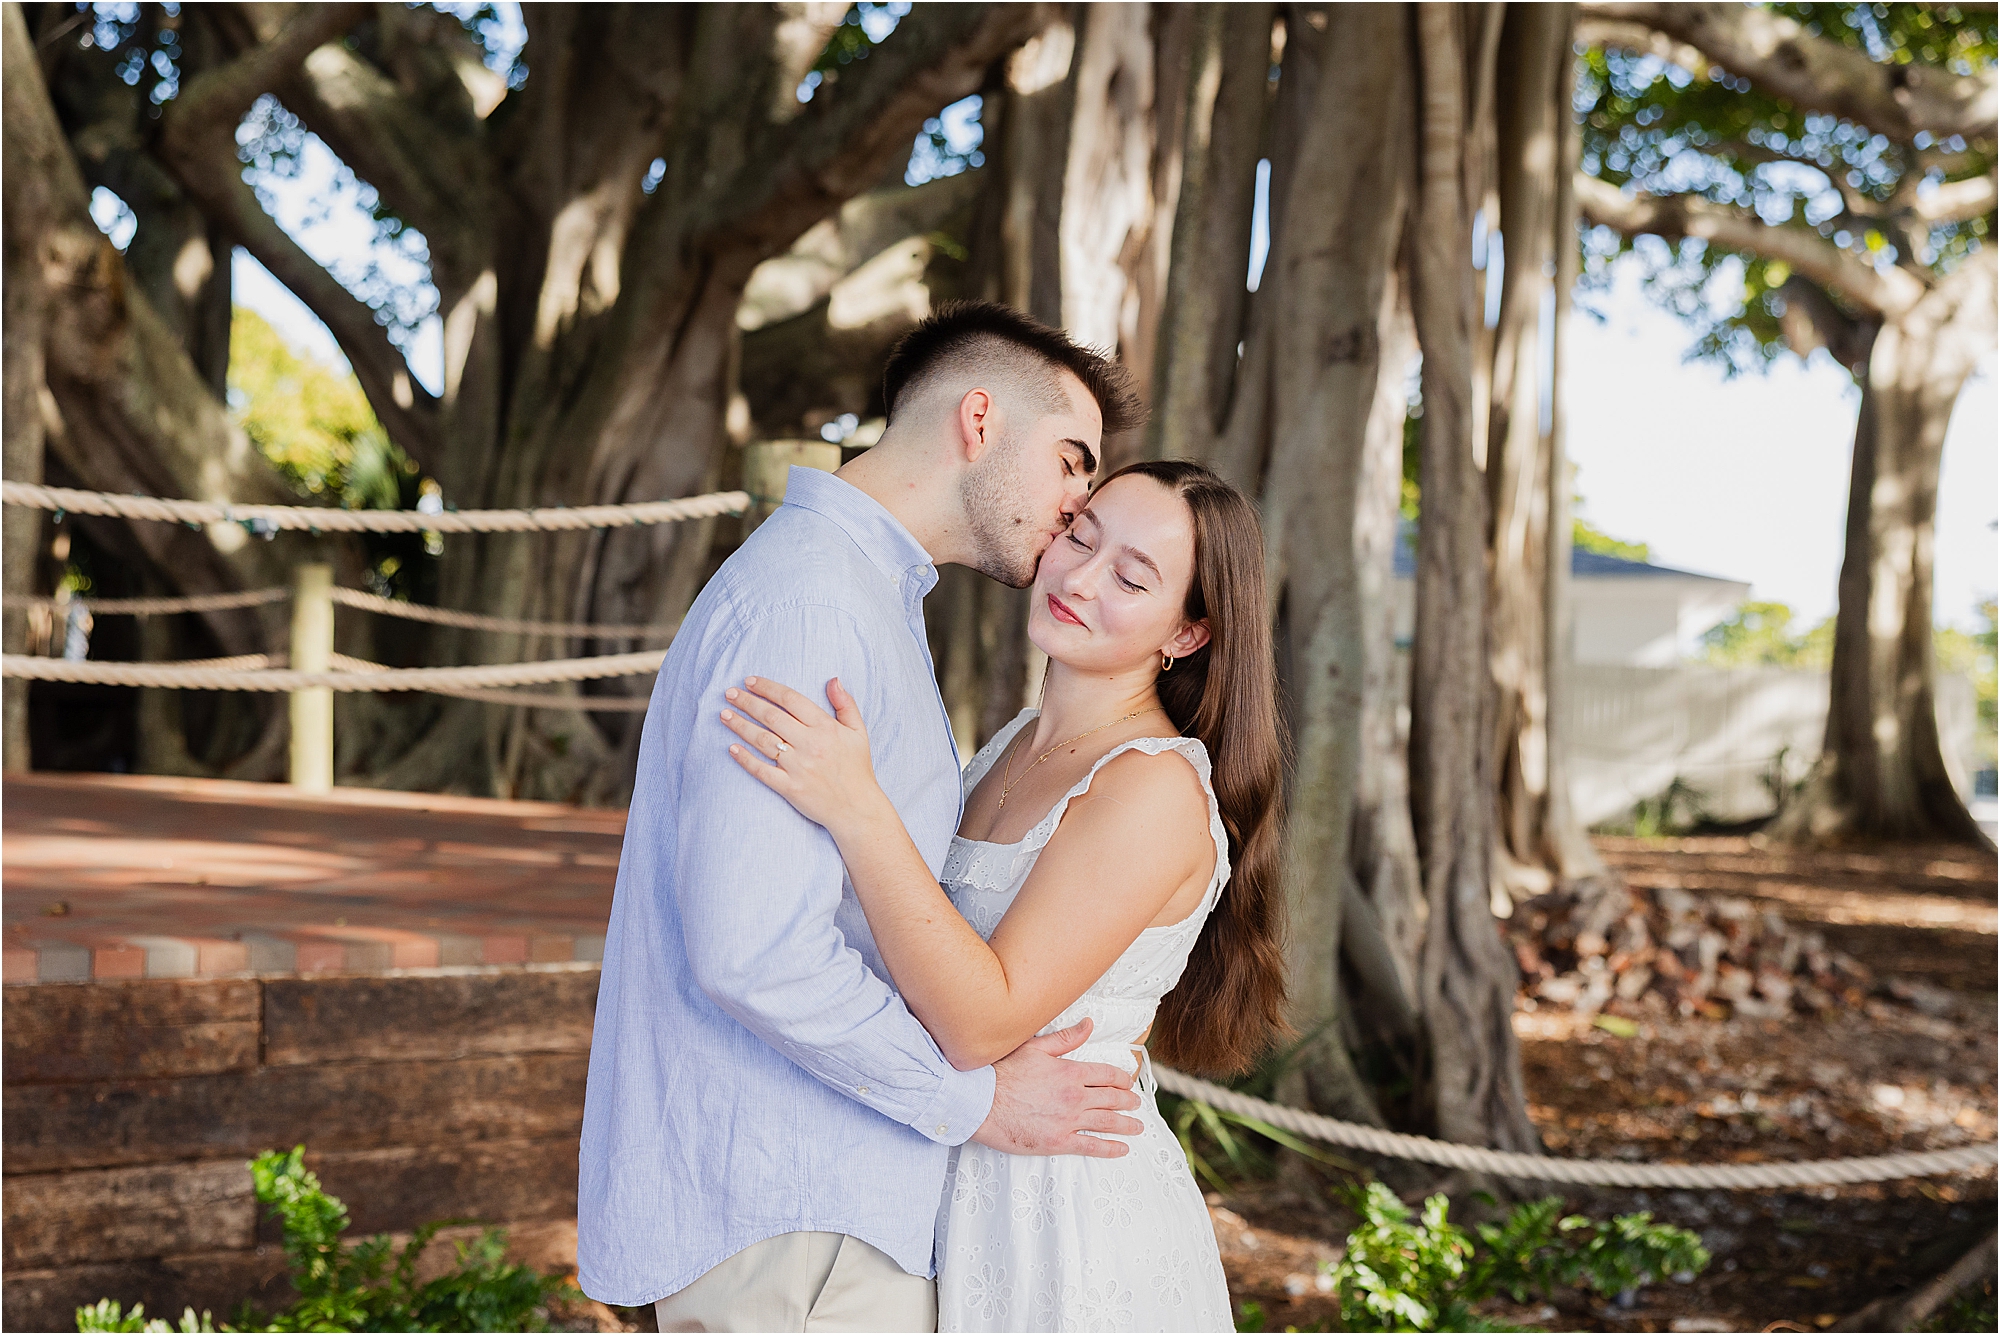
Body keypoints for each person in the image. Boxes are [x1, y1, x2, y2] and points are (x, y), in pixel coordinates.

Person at [578, 301, 1155, 1332]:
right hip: (794, 1220)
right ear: (978, 421)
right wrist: (975, 1103)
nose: (1077, 506)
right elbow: (753, 950)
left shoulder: (861, 596)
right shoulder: (813, 606)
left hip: (820, 1211)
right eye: (1070, 461)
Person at [716, 458, 1290, 1331]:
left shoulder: (1152, 786)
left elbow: (984, 1019)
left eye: (1132, 577)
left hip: (1062, 1219)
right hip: (957, 1168)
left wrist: (856, 806)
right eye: (1080, 535)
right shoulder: (1015, 744)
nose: (1081, 577)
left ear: (1187, 635)